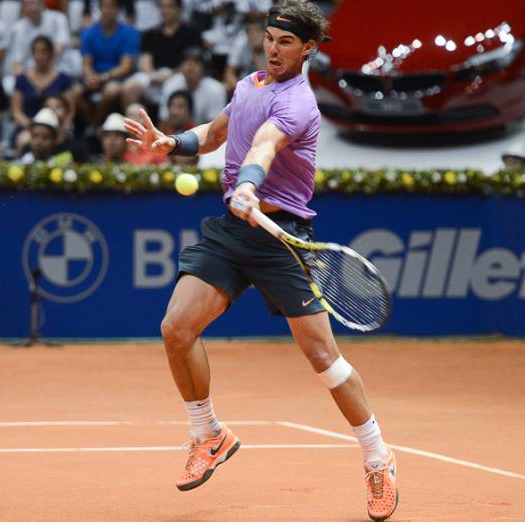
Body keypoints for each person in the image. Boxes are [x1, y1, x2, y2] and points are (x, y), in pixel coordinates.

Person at [122, 2, 399, 521]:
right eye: (269, 38)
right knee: (176, 327)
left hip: (282, 239)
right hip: (231, 230)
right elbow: (216, 133)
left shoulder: (300, 105)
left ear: (308, 49)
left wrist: (248, 185)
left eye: (285, 42)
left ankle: (378, 458)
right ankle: (208, 435)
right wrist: (172, 143)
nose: (273, 49)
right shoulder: (250, 83)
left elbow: (266, 145)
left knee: (323, 359)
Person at [120, 0, 203, 108]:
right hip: (155, 75)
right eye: (163, 7)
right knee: (129, 87)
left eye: (170, 7)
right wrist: (154, 76)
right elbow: (145, 61)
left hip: (180, 76)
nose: (166, 11)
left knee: (172, 86)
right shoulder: (150, 34)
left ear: (179, 9)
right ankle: (136, 121)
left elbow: (193, 63)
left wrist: (171, 75)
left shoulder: (191, 32)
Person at [11, 36, 77, 153]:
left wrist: (61, 128)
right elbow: (16, 111)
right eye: (36, 51)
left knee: (63, 141)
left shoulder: (64, 79)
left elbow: (70, 110)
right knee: (24, 139)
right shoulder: (22, 79)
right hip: (29, 127)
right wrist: (32, 126)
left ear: (51, 54)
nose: (39, 56)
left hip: (58, 127)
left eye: (43, 51)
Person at [79, 0, 139, 126]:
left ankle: (94, 125)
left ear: (118, 10)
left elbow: (125, 66)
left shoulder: (129, 32)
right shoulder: (89, 32)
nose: (108, 10)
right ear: (100, 9)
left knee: (111, 91)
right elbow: (86, 63)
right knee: (74, 92)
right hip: (95, 77)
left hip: (117, 78)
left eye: (112, 7)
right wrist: (90, 77)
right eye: (105, 6)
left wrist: (102, 77)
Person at [158, 47, 226, 125]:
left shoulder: (216, 90)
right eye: (186, 62)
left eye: (196, 63)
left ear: (204, 68)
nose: (190, 67)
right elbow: (164, 120)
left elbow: (215, 126)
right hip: (175, 134)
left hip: (204, 134)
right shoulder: (170, 85)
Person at [9, 0, 71, 76]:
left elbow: (59, 47)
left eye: (34, 3)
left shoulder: (59, 18)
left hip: (57, 67)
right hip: (30, 72)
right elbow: (17, 61)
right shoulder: (17, 28)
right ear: (23, 8)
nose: (32, 8)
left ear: (42, 4)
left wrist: (43, 72)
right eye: (27, 5)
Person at [224, 14, 266, 94]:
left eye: (257, 31)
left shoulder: (272, 46)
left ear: (265, 33)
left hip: (266, 88)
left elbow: (265, 81)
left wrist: (255, 54)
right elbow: (229, 73)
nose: (253, 35)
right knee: (225, 87)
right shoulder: (241, 44)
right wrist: (240, 90)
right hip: (245, 85)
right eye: (249, 32)